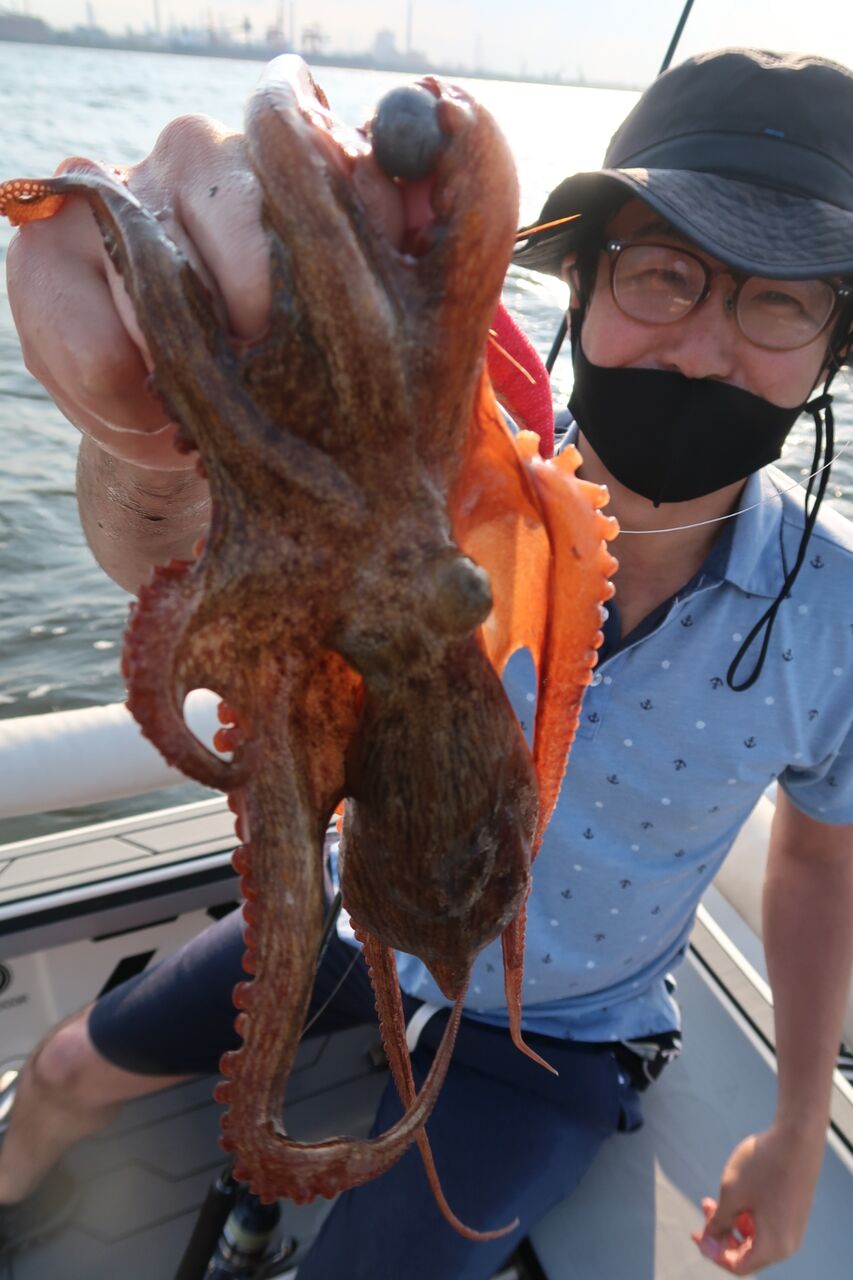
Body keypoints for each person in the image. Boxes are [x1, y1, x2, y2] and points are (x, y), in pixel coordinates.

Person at [1, 45, 852, 1279]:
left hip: (567, 1026)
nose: (705, 347)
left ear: (834, 345)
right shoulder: (430, 474)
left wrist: (792, 1126)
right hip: (344, 924)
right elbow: (163, 537)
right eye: (665, 272)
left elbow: (819, 856)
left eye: (779, 301)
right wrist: (143, 427)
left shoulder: (834, 616)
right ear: (581, 281)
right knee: (65, 1069)